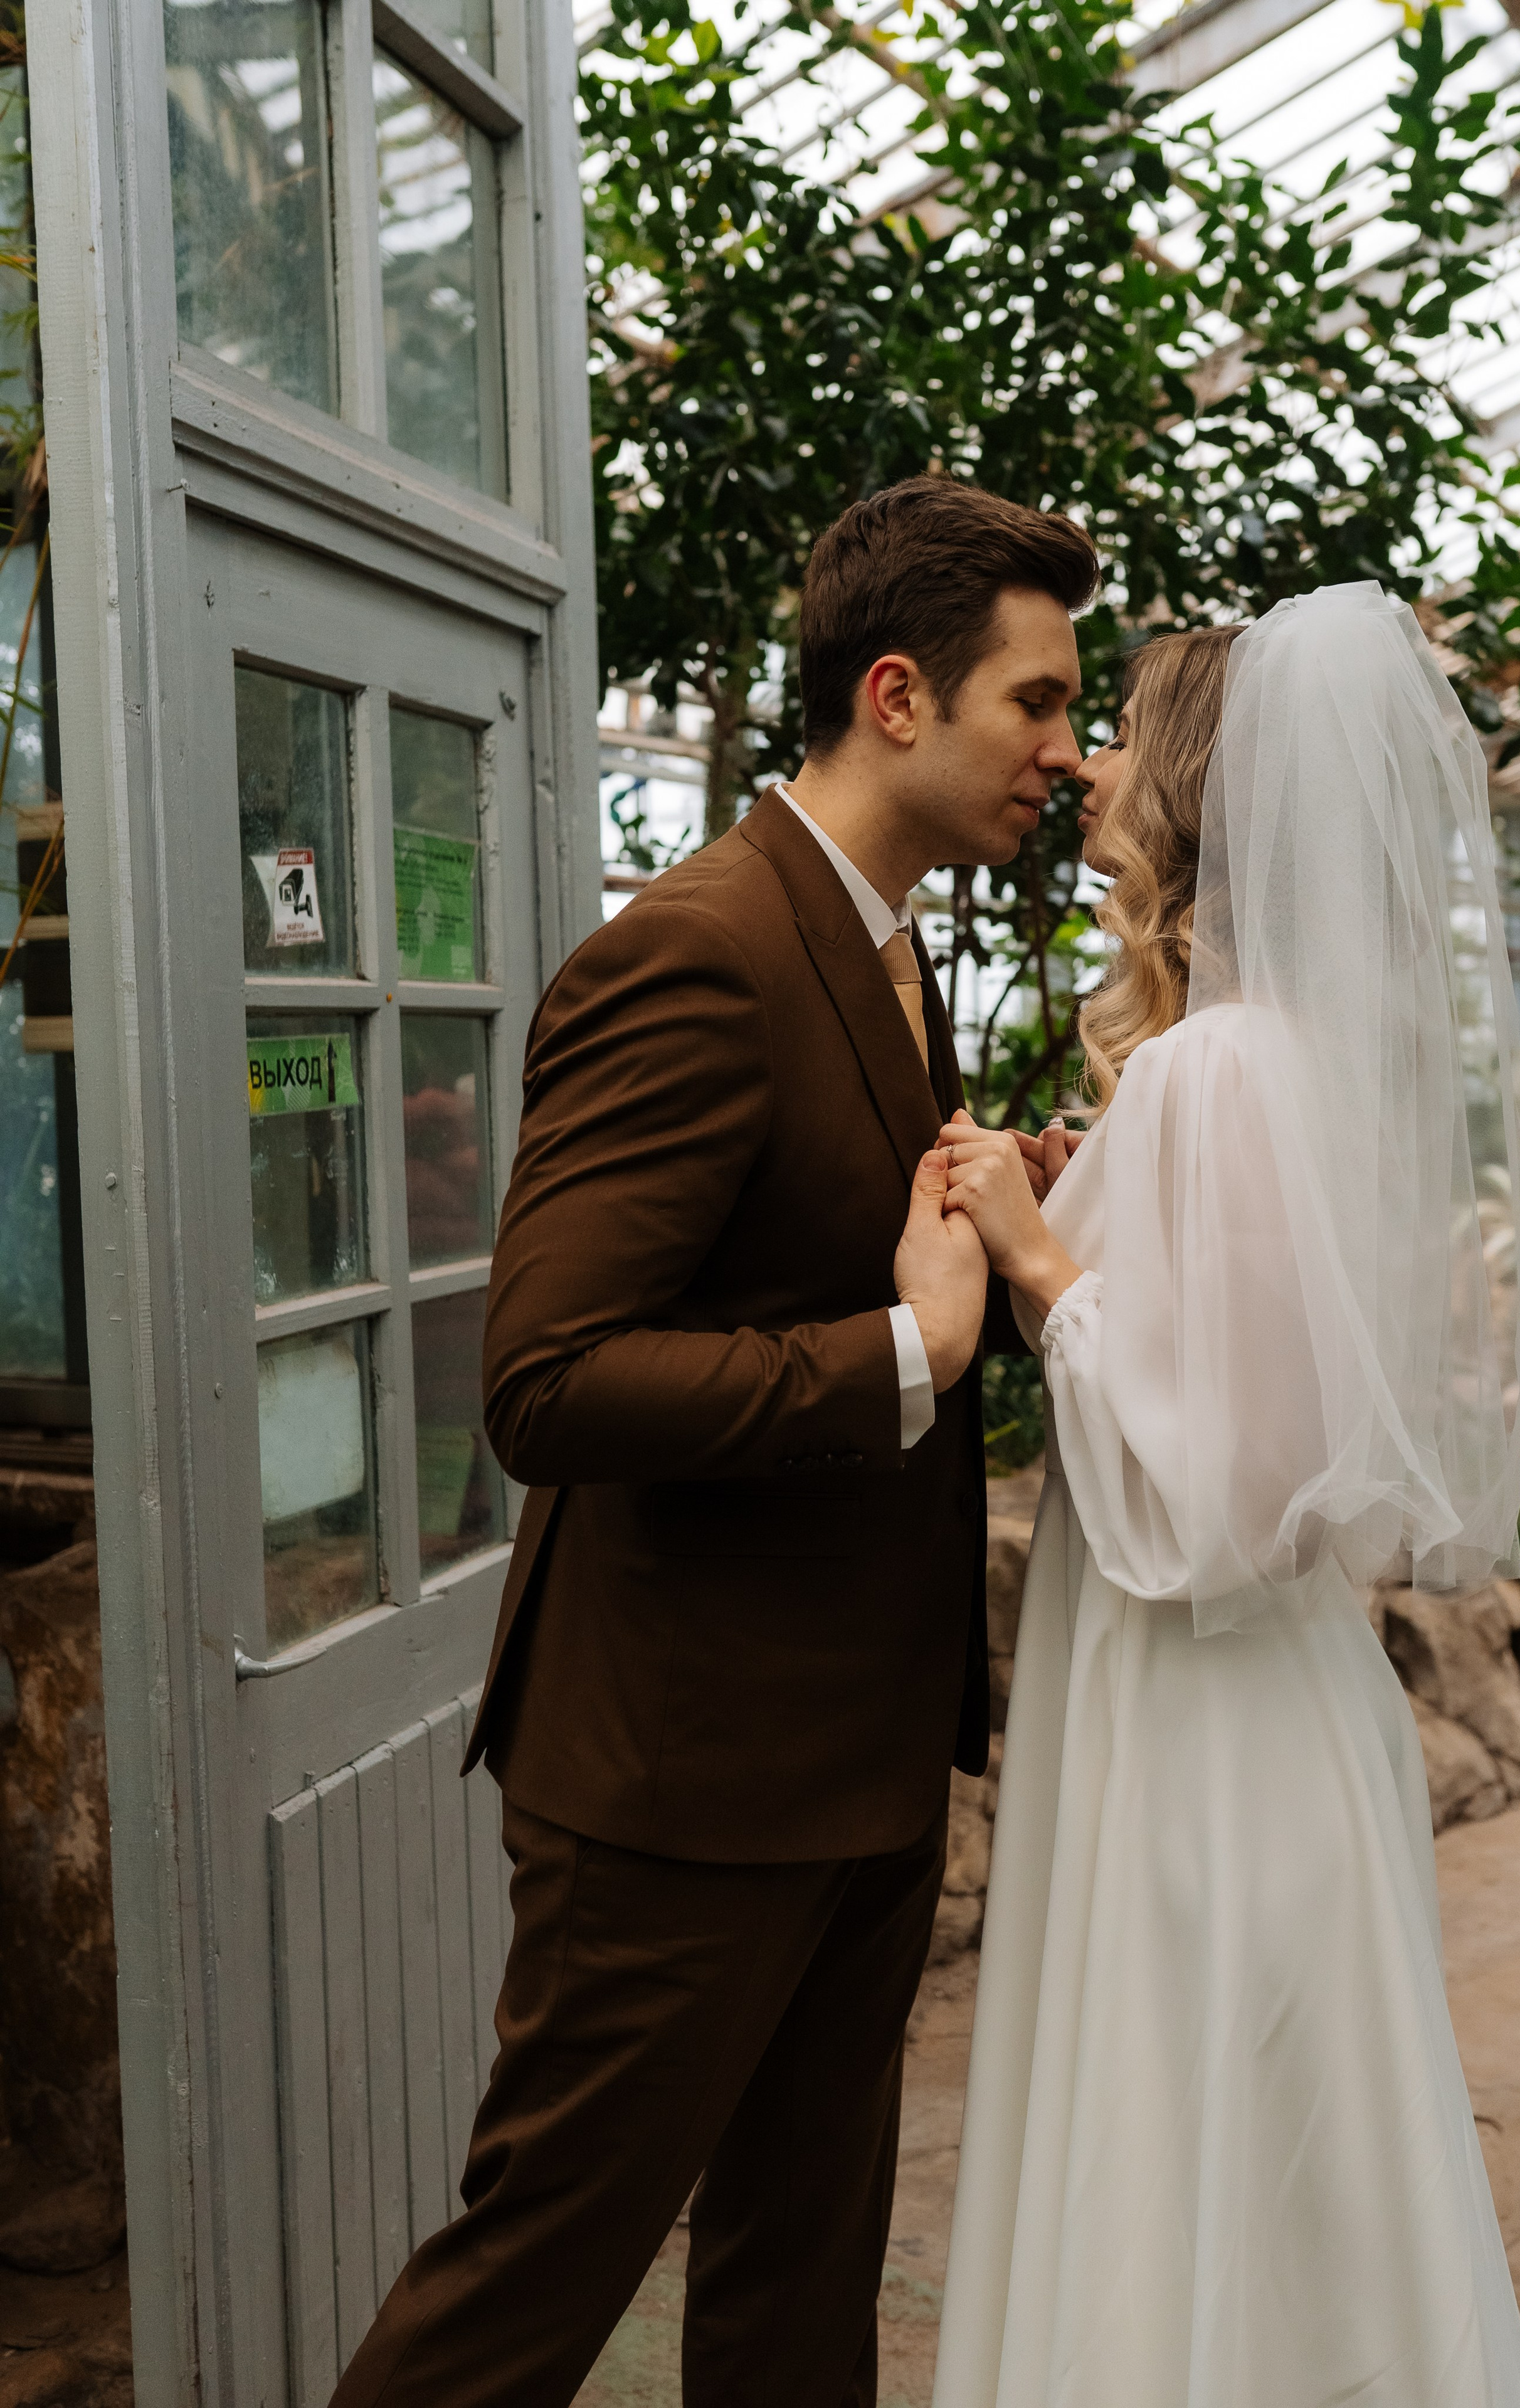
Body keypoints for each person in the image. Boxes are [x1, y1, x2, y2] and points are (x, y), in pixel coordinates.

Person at [325, 475, 1099, 2408]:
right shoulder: (696, 948)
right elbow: (550, 1378)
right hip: (681, 1785)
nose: (1069, 756)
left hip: (859, 1757)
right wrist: (907, 1349)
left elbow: (822, 1234)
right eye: (1039, 704)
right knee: (520, 2303)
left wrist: (1009, 1227)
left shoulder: (883, 941)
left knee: (797, 2297)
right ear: (900, 696)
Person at [929, 586, 1520, 2407]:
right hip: (1264, 1704)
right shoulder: (1272, 1057)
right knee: (1288, 2199)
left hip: (1194, 1716)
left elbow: (1230, 1494)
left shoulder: (1216, 1068)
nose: (1092, 761)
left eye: (1121, 731)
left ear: (1197, 788)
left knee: (1187, 2158)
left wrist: (1042, 1260)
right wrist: (1087, 1209)